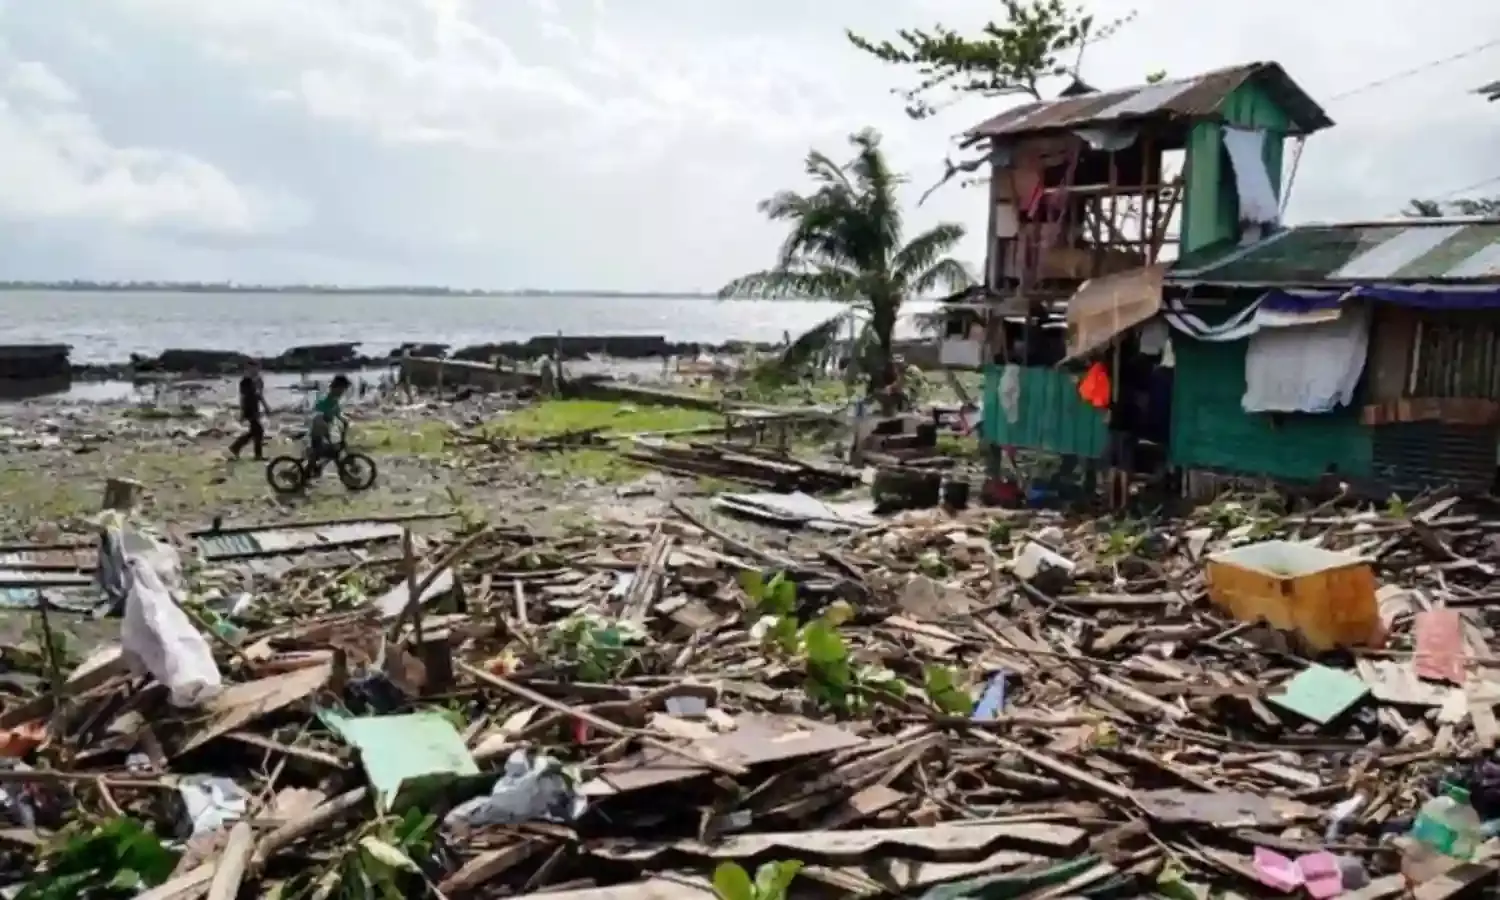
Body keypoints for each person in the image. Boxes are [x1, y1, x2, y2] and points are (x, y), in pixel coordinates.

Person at [307, 374, 351, 473]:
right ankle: (307, 473)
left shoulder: (335, 401)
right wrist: (322, 423)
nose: (342, 392)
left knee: (333, 451)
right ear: (334, 388)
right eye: (341, 389)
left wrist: (346, 420)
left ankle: (315, 468)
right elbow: (316, 415)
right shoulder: (324, 400)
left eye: (344, 390)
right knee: (318, 452)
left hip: (326, 431)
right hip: (317, 432)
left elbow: (338, 414)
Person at [229, 361, 271, 460]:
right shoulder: (245, 381)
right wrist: (242, 411)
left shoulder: (259, 380)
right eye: (253, 368)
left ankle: (236, 447)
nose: (256, 370)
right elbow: (243, 397)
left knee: (255, 431)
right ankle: (254, 454)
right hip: (249, 408)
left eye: (257, 368)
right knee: (258, 431)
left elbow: (260, 395)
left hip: (255, 407)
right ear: (249, 369)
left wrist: (265, 406)